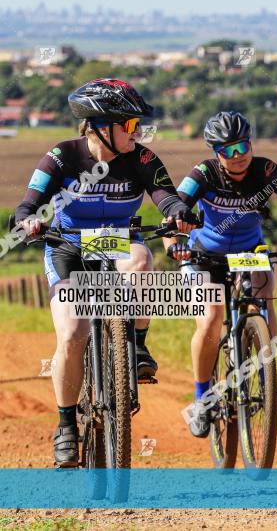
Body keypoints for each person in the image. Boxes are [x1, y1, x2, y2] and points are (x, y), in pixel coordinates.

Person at [13, 78, 194, 467]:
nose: (138, 132)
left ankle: (138, 344)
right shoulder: (61, 157)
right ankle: (65, 426)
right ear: (100, 127)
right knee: (74, 334)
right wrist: (29, 222)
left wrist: (176, 213)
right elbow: (27, 205)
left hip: (115, 240)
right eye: (129, 125)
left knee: (141, 261)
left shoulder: (142, 160)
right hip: (69, 246)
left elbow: (165, 196)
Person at [165, 111, 277, 437]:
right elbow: (173, 212)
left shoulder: (266, 171)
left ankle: (267, 379)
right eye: (228, 151)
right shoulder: (203, 174)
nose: (238, 157)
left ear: (251, 144)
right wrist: (173, 244)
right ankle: (202, 397)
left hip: (250, 252)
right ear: (215, 153)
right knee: (210, 320)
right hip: (202, 255)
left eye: (242, 148)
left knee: (265, 301)